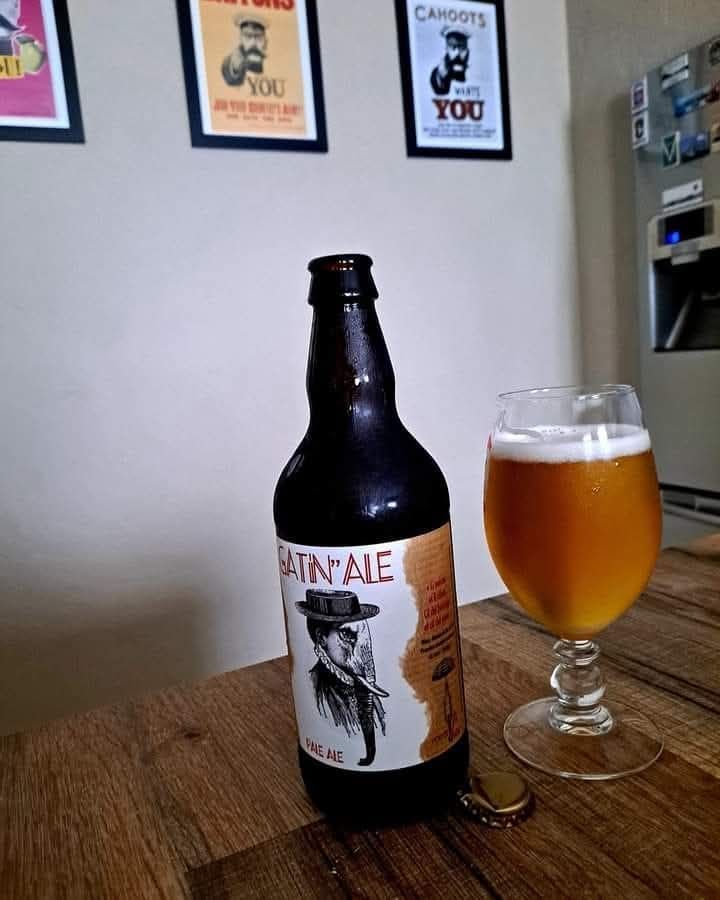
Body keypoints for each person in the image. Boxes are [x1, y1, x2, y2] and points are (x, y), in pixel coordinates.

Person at [296, 589, 389, 767]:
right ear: (321, 638)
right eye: (346, 635)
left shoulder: (367, 691)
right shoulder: (315, 689)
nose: (359, 650)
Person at [222, 15, 268, 87]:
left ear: (265, 40)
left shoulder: (271, 60)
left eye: (258, 36)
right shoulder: (232, 61)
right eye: (248, 36)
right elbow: (231, 78)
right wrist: (236, 68)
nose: (253, 42)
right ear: (240, 38)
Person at [430, 26, 471, 96]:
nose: (457, 52)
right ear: (446, 48)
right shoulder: (438, 72)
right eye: (453, 47)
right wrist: (441, 75)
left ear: (467, 49)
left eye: (461, 47)